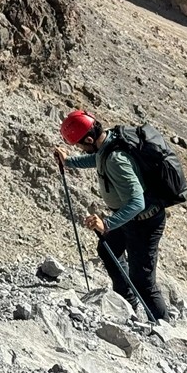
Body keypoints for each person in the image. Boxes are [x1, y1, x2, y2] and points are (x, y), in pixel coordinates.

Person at [53, 109, 169, 322]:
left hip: (144, 222)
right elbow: (97, 159)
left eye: (80, 144)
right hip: (129, 219)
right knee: (108, 249)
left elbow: (137, 202)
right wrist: (70, 162)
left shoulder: (116, 159)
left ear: (89, 138)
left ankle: (166, 330)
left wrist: (107, 224)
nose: (80, 147)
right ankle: (126, 304)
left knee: (143, 282)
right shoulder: (109, 142)